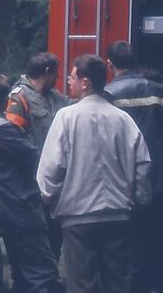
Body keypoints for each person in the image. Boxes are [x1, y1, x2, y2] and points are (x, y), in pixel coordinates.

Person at [37, 54, 151, 293]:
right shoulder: (124, 119)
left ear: (85, 82)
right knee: (118, 283)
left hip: (78, 219)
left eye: (72, 77)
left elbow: (50, 168)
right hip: (118, 217)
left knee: (81, 284)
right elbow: (142, 163)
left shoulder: (66, 118)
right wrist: (139, 199)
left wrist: (48, 199)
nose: (68, 82)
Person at [0, 73, 60, 293]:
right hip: (21, 209)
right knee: (40, 272)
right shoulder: (4, 129)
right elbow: (35, 158)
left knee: (21, 271)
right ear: (6, 100)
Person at [105, 40, 163, 293]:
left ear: (110, 64)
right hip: (158, 176)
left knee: (125, 243)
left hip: (120, 181)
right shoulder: (157, 90)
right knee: (154, 237)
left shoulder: (108, 94)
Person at [5, 52, 68, 262]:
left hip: (55, 182)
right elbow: (13, 141)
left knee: (54, 235)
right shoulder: (19, 97)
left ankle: (51, 277)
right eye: (56, 74)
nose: (58, 78)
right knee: (32, 239)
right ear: (47, 72)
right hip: (29, 183)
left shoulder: (57, 98)